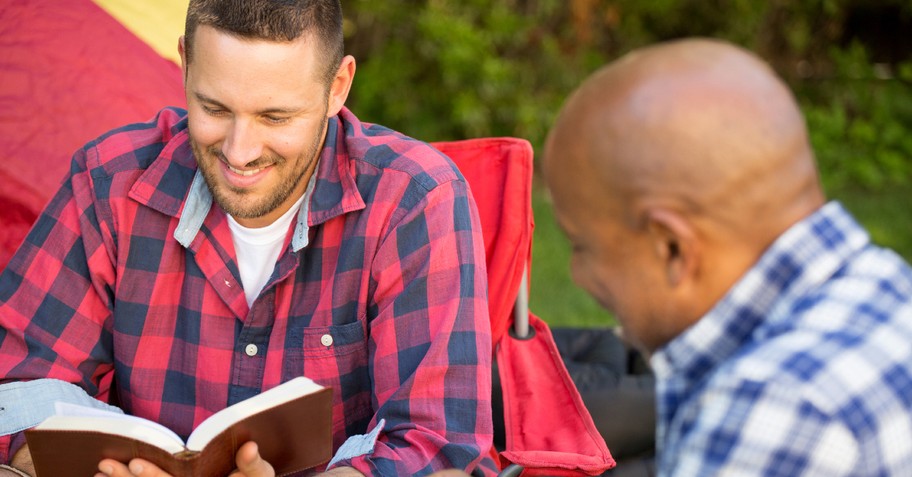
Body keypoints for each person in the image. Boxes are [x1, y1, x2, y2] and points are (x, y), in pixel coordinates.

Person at [0, 1, 496, 476]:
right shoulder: (108, 184)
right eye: (214, 108)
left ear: (337, 87)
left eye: (274, 118)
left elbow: (437, 446)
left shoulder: (414, 201)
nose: (239, 152)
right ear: (186, 64)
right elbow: (18, 388)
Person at [542, 37, 912, 476]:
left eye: (583, 246)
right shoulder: (886, 282)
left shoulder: (766, 409)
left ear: (672, 247)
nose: (577, 274)